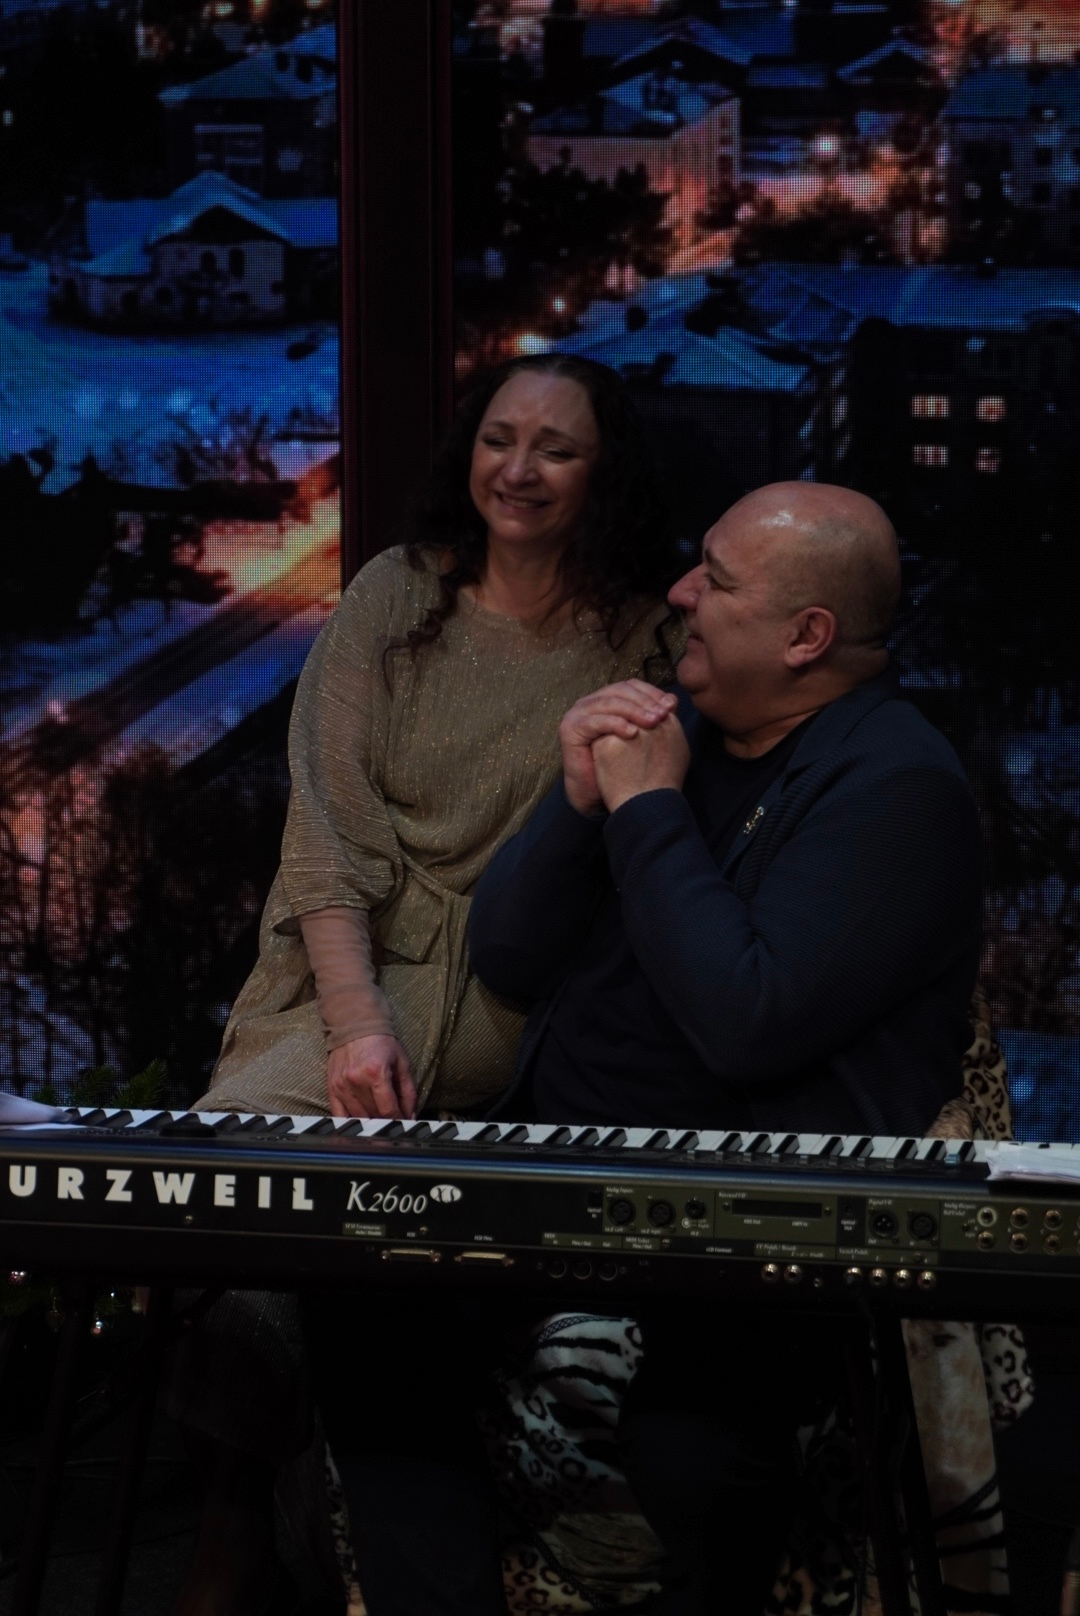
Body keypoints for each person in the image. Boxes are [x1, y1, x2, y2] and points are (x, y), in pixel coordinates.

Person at [309, 481, 984, 1616]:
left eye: (715, 579)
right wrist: (577, 802)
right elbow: (508, 954)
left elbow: (747, 1018)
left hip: (744, 1224)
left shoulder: (899, 788)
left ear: (807, 636)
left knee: (691, 1446)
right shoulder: (681, 735)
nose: (679, 593)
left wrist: (647, 814)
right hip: (559, 1182)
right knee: (359, 1299)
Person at [170, 354, 679, 1616]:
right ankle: (241, 1501)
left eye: (556, 448)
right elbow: (326, 833)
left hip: (508, 986)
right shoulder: (395, 593)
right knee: (252, 1165)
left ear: (603, 471)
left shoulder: (639, 634)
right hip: (338, 966)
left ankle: (249, 1520)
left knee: (354, 1214)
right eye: (500, 438)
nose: (520, 469)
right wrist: (355, 1025)